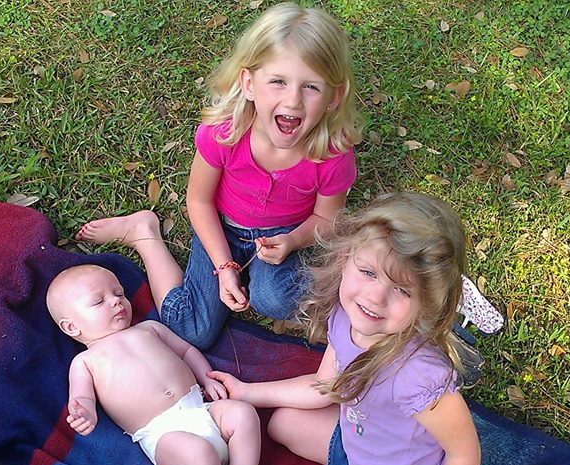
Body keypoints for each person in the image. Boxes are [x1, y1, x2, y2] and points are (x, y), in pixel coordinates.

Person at [210, 193, 486, 465]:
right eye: (368, 272)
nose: (375, 297)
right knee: (283, 423)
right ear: (346, 257)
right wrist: (246, 392)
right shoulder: (348, 317)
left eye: (402, 290)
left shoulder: (418, 374)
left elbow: (464, 453)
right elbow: (325, 385)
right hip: (364, 445)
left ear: (428, 303)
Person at [75, 3, 362, 349]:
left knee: (277, 301)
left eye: (311, 87)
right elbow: (199, 201)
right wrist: (224, 266)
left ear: (334, 97)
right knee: (191, 330)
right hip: (221, 227)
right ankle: (143, 234)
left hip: (284, 235)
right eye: (278, 82)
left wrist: (293, 241)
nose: (293, 101)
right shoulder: (224, 134)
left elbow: (327, 220)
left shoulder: (332, 154)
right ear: (249, 83)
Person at [46, 264, 266, 465]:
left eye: (119, 293)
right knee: (199, 454)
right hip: (164, 435)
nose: (116, 301)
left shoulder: (149, 328)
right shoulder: (85, 362)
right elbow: (82, 396)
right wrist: (85, 414)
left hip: (201, 409)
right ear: (71, 326)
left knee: (243, 413)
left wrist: (207, 378)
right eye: (99, 301)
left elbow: (186, 351)